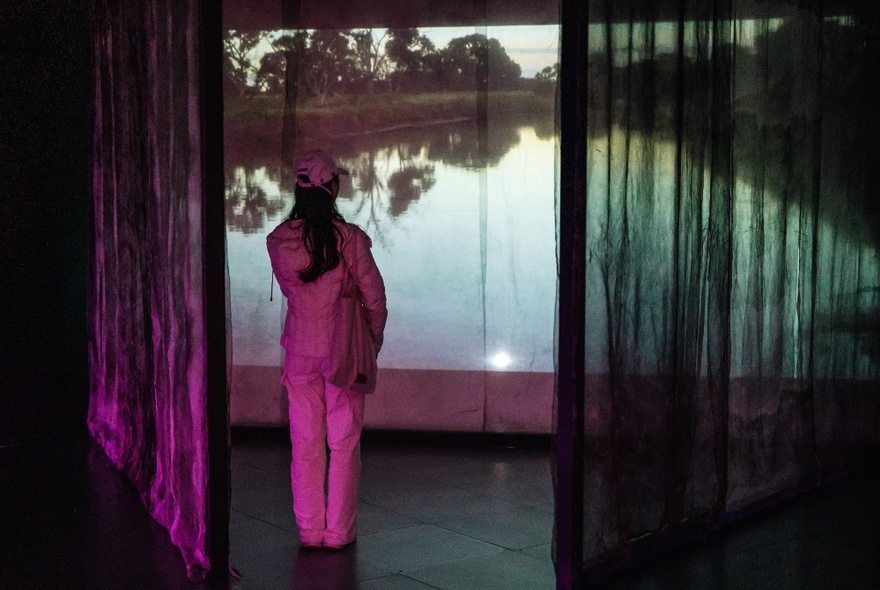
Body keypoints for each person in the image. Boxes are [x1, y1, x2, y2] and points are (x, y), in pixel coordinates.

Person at [266, 149, 387, 550]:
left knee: (305, 446)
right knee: (343, 443)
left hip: (299, 351)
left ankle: (309, 530)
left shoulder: (277, 241)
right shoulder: (349, 239)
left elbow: (291, 292)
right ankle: (338, 533)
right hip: (343, 355)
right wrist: (371, 342)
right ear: (332, 186)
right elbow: (375, 300)